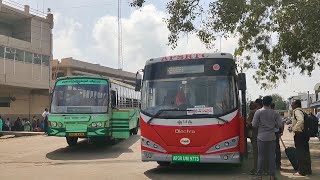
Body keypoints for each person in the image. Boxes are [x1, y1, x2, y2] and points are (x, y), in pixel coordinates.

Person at [252, 96, 283, 180]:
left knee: (261, 156)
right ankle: (272, 176)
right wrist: (273, 125)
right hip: (272, 137)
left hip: (261, 137)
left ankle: (259, 176)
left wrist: (261, 126)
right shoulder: (275, 113)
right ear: (270, 103)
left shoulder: (258, 112)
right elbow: (280, 124)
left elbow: (254, 125)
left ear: (263, 103)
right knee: (272, 157)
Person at [291, 100, 312, 176]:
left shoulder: (297, 111)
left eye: (292, 104)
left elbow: (300, 120)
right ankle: (308, 170)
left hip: (300, 135)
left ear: (296, 105)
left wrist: (294, 129)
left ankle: (301, 171)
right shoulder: (303, 111)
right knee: (306, 153)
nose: (291, 105)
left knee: (300, 153)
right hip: (305, 134)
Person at [248, 99, 263, 175]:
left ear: (257, 104)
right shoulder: (270, 111)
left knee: (256, 153)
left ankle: (256, 169)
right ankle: (266, 170)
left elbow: (250, 124)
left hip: (256, 135)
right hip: (267, 135)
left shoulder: (253, 112)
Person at [271, 103, 284, 170]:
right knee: (277, 149)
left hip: (268, 134)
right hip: (275, 133)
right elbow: (281, 124)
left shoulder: (264, 113)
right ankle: (278, 165)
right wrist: (281, 132)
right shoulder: (277, 114)